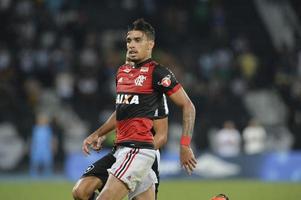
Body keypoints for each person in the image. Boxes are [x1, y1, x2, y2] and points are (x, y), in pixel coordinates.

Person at [82, 18, 196, 200]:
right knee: (81, 192)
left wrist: (184, 145)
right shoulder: (122, 72)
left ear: (150, 44)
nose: (131, 45)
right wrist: (98, 133)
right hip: (119, 149)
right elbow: (122, 110)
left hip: (139, 150)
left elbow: (188, 106)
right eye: (129, 40)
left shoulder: (158, 74)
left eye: (138, 40)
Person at [72, 97, 169, 200]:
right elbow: (122, 113)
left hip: (143, 153)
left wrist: (141, 152)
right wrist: (102, 134)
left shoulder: (154, 90)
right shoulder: (123, 83)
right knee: (80, 192)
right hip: (119, 151)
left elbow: (161, 135)